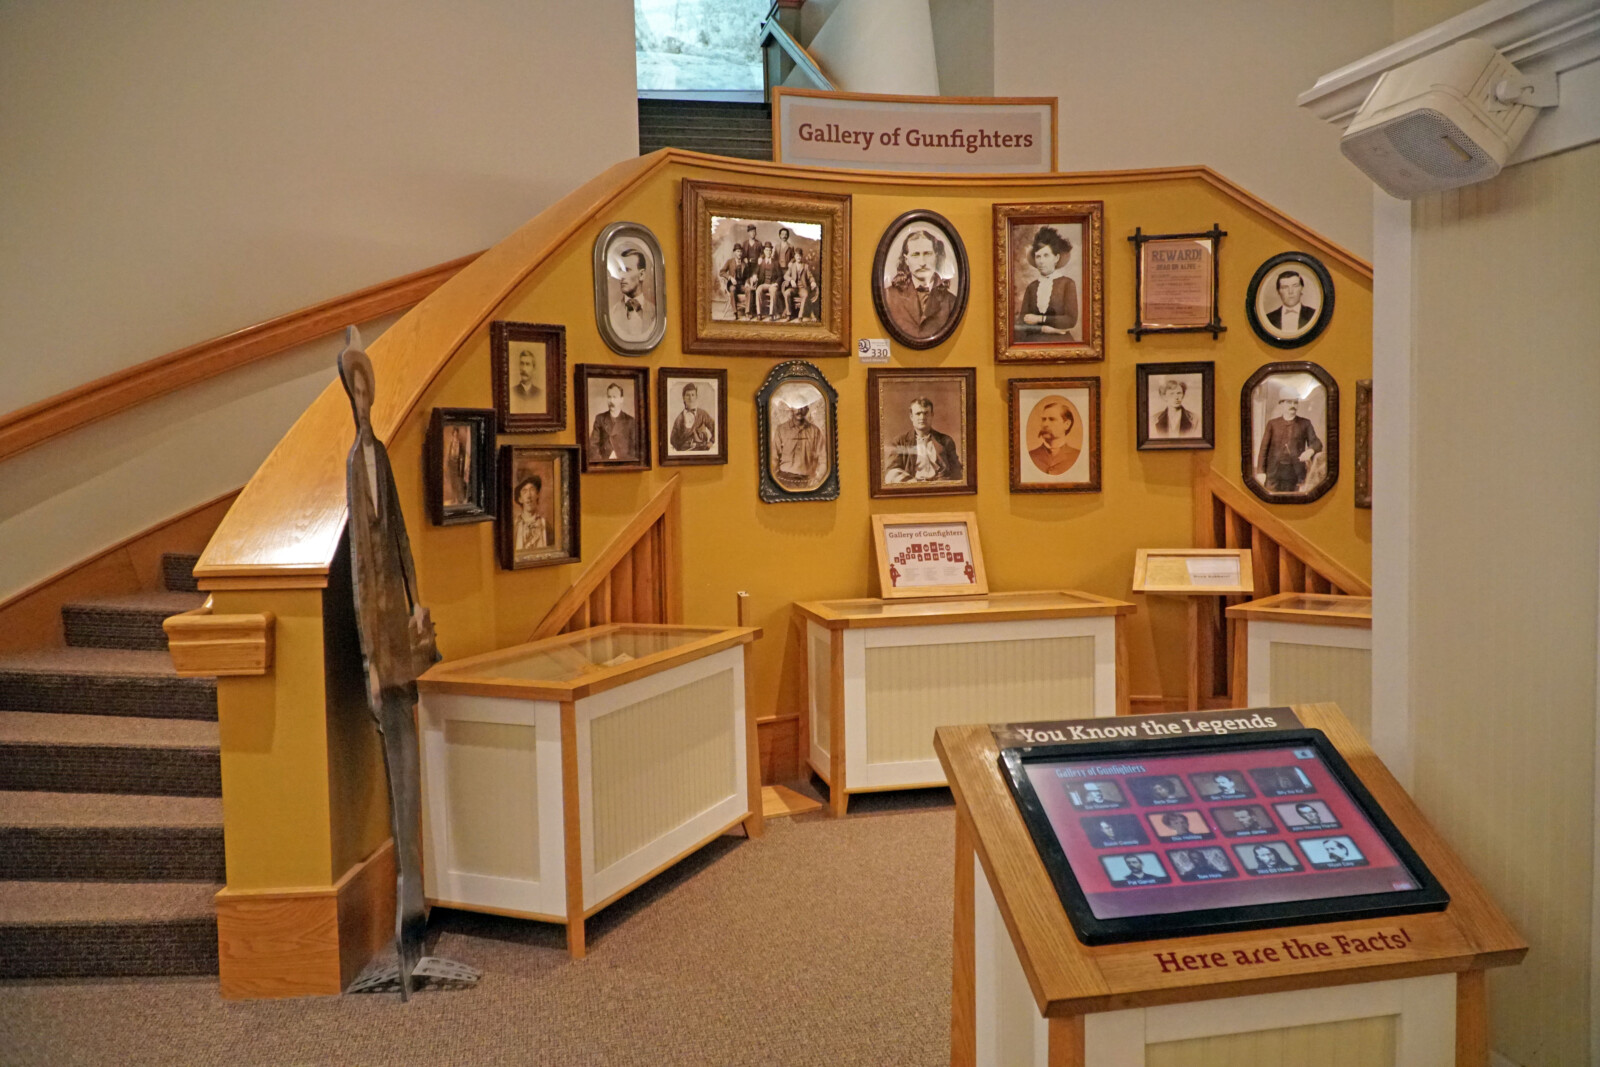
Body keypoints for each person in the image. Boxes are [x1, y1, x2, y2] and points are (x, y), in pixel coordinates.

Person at [337, 328, 444, 997]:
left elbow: (398, 539)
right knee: (394, 757)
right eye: (354, 385)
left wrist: (415, 602)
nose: (363, 396)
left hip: (399, 630)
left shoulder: (380, 455)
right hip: (377, 641)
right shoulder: (352, 461)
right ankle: (406, 908)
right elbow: (357, 566)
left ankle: (414, 901)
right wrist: (372, 656)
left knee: (409, 763)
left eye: (367, 383)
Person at [881, 228, 958, 342]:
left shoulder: (951, 302)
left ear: (936, 256)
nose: (922, 262)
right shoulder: (889, 297)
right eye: (916, 254)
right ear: (906, 259)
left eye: (927, 254)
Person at [1014, 226, 1078, 338]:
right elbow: (1022, 322)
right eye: (1038, 256)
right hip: (1032, 341)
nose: (1041, 261)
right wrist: (1047, 329)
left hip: (1060, 342)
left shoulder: (1067, 284)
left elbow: (1071, 320)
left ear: (1056, 258)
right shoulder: (1032, 287)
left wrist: (1040, 319)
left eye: (1046, 255)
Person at [882, 397, 963, 484]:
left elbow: (956, 471)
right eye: (918, 413)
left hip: (940, 487)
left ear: (932, 415)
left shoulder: (946, 441)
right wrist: (913, 483)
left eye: (926, 413)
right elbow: (891, 471)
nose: (922, 417)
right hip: (912, 488)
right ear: (911, 417)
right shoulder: (899, 442)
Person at [1256, 388, 1323, 492]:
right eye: (1289, 402)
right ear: (1282, 404)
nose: (1293, 405)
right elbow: (1263, 449)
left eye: (1295, 402)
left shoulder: (1305, 423)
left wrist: (1310, 450)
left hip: (1295, 474)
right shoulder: (1272, 424)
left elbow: (1317, 443)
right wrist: (1260, 472)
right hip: (1273, 474)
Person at [772, 399, 825, 490]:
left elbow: (824, 457)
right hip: (784, 479)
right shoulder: (781, 429)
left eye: (802, 407)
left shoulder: (815, 431)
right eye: (796, 407)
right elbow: (773, 457)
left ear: (807, 409)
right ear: (791, 409)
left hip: (808, 481)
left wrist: (818, 477)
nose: (799, 411)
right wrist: (775, 479)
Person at [607, 247, 654, 343]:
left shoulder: (655, 313)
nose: (621, 276)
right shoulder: (611, 314)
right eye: (620, 270)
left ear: (641, 275)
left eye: (627, 270)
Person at [589, 382, 639, 463]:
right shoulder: (600, 418)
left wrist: (625, 461)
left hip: (624, 464)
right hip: (603, 464)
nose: (611, 401)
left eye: (614, 397)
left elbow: (634, 448)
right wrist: (600, 461)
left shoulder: (630, 421)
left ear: (621, 399)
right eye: (609, 397)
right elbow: (593, 445)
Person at [1028, 398, 1080, 476]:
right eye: (1043, 419)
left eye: (1052, 419)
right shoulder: (1030, 456)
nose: (1045, 424)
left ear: (1067, 424)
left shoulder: (1077, 456)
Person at [1265, 269, 1317, 336]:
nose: (1290, 292)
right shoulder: (1268, 319)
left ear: (1301, 288)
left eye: (1295, 286)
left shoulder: (1313, 314)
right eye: (1285, 287)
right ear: (1278, 291)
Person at [669, 382, 716, 453]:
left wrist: (711, 442)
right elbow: (673, 439)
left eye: (693, 395)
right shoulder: (679, 418)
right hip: (685, 452)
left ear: (696, 397)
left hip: (702, 450)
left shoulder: (703, 414)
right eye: (687, 395)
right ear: (683, 398)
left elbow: (717, 429)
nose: (690, 398)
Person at [512, 474, 548, 552]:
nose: (529, 496)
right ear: (520, 499)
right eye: (524, 491)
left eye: (532, 490)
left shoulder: (545, 525)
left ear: (537, 495)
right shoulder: (514, 526)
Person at [718, 245, 752, 320]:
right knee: (733, 289)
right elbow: (721, 272)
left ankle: (747, 312)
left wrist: (747, 282)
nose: (739, 253)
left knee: (748, 290)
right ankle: (735, 312)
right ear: (734, 252)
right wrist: (730, 277)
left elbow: (747, 277)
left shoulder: (744, 264)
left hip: (741, 285)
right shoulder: (729, 262)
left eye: (740, 251)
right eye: (737, 251)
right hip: (732, 285)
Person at [753, 242, 783, 320]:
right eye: (767, 250)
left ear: (771, 251)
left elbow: (780, 276)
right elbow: (756, 271)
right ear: (764, 251)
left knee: (773, 291)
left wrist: (776, 283)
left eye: (770, 250)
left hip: (772, 284)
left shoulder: (776, 263)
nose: (768, 252)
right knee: (758, 290)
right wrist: (755, 275)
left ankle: (771, 314)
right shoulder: (761, 262)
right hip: (763, 284)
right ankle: (759, 313)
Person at [510, 346, 542, 412]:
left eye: (527, 364)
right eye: (522, 364)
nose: (524, 369)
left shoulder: (539, 393)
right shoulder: (512, 391)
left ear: (534, 369)